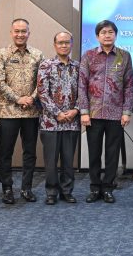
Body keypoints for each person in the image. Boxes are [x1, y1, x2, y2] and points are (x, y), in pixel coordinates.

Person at [78, 20, 133, 204]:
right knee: (94, 153)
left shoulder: (124, 56)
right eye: (103, 32)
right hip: (93, 113)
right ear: (97, 36)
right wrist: (84, 111)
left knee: (112, 153)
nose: (107, 35)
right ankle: (95, 188)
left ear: (115, 35)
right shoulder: (88, 56)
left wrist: (127, 111)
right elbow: (82, 85)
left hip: (116, 114)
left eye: (110, 32)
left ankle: (108, 187)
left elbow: (129, 85)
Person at [0, 18, 44, 204]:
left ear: (29, 33)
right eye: (17, 31)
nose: (20, 34)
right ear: (11, 32)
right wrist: (18, 98)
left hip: (31, 112)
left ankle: (26, 188)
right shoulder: (2, 54)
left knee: (30, 152)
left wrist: (31, 97)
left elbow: (42, 81)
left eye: (24, 31)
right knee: (6, 151)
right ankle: (7, 188)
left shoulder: (38, 55)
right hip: (8, 112)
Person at [36, 31, 81, 205]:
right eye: (60, 43)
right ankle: (51, 192)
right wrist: (58, 113)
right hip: (50, 122)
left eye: (67, 43)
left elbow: (83, 92)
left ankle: (67, 191)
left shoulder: (77, 66)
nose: (64, 45)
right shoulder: (46, 65)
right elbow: (42, 93)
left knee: (69, 160)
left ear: (71, 44)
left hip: (72, 122)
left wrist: (75, 110)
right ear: (54, 45)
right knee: (51, 161)